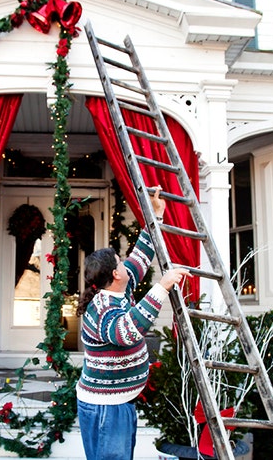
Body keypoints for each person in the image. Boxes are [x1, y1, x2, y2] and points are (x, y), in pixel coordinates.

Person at [76, 187, 192, 460]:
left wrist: (156, 215)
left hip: (119, 402)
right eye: (120, 260)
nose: (125, 261)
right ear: (115, 273)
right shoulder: (101, 309)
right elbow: (127, 331)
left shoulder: (119, 289)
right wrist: (162, 287)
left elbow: (141, 253)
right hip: (106, 407)